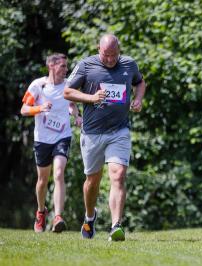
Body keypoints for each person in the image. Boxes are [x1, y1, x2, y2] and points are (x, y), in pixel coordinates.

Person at [64, 34, 146, 241]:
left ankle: (115, 226)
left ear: (119, 50)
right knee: (93, 180)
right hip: (92, 133)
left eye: (114, 55)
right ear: (98, 49)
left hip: (119, 131)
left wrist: (138, 99)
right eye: (106, 55)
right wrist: (90, 98)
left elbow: (140, 83)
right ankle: (89, 217)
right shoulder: (86, 65)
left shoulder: (129, 64)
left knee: (118, 176)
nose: (110, 59)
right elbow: (67, 92)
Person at [21, 53, 82, 233]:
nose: (66, 69)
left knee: (59, 173)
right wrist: (40, 108)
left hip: (62, 136)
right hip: (42, 139)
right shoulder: (38, 86)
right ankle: (41, 212)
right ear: (51, 66)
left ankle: (58, 217)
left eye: (66, 66)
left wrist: (76, 116)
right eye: (62, 66)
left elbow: (71, 105)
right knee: (42, 180)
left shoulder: (67, 86)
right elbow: (24, 109)